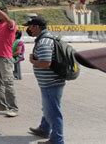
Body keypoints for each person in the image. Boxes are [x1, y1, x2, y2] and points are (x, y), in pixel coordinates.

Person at [26, 16, 65, 144]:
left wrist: (32, 60)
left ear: (36, 27)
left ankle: (57, 140)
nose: (28, 29)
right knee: (47, 108)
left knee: (53, 112)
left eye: (30, 26)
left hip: (51, 83)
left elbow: (46, 63)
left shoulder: (44, 42)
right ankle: (44, 128)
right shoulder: (45, 38)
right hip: (50, 82)